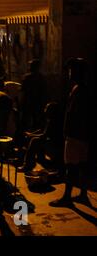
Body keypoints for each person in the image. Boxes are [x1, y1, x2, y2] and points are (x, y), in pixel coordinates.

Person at [50, 58, 91, 207]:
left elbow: (73, 115)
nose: (69, 73)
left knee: (71, 167)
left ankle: (67, 197)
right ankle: (83, 195)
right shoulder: (85, 89)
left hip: (75, 135)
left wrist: (67, 131)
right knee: (82, 165)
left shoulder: (78, 90)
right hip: (83, 135)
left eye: (71, 70)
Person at [18, 102, 63, 173]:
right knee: (34, 139)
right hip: (49, 141)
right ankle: (39, 160)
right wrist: (31, 134)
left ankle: (28, 165)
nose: (45, 110)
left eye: (47, 108)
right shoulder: (49, 119)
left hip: (54, 143)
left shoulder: (54, 121)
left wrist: (31, 135)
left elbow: (44, 135)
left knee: (34, 140)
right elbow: (42, 130)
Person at [20, 59, 46, 131]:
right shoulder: (41, 77)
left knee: (25, 120)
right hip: (38, 102)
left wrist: (21, 102)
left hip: (28, 101)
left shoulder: (27, 77)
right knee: (36, 120)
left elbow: (23, 90)